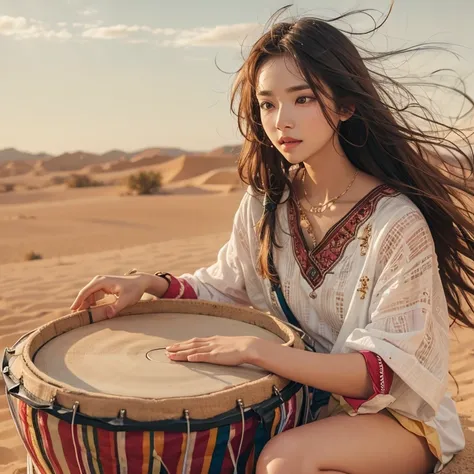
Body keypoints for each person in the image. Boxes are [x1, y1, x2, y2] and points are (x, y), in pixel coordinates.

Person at [70, 5, 474, 474]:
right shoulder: (267, 203)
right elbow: (226, 284)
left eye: (302, 99)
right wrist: (149, 283)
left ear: (345, 105)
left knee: (282, 464)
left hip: (393, 417)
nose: (282, 120)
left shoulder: (396, 223)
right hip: (302, 400)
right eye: (267, 103)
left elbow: (377, 372)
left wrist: (258, 352)